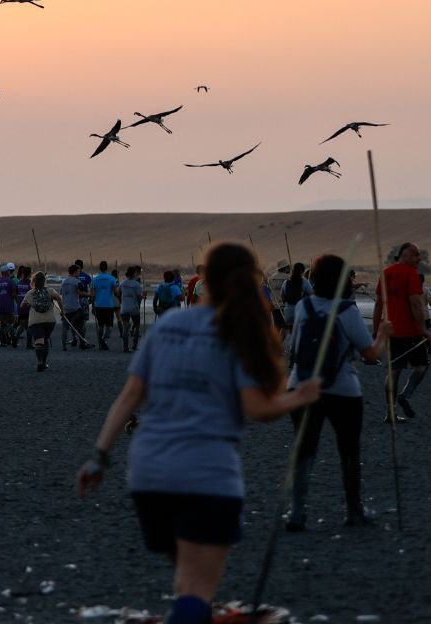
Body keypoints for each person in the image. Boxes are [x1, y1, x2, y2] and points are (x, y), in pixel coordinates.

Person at [78, 243, 323, 624]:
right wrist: (300, 397)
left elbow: (129, 397)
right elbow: (258, 410)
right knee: (196, 589)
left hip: (148, 474)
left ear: (204, 278)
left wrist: (99, 457)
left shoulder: (170, 324)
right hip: (206, 475)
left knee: (186, 583)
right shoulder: (240, 331)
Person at [283, 253, 384, 530]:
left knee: (304, 450)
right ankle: (353, 511)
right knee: (348, 451)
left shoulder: (304, 307)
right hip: (342, 388)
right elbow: (371, 354)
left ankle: (296, 512)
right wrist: (384, 332)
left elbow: (294, 350)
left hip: (301, 385)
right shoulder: (347, 311)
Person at [379, 242, 431, 421]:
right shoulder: (411, 274)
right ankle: (404, 396)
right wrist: (423, 329)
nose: (419, 259)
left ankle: (391, 411)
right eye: (416, 255)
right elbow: (416, 304)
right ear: (406, 255)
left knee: (394, 371)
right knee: (421, 367)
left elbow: (379, 303)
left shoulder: (385, 273)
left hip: (391, 331)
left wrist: (376, 332)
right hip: (411, 332)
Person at [25, 271, 65, 372]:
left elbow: (22, 305)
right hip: (49, 320)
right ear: (44, 281)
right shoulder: (50, 291)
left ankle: (39, 362)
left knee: (39, 341)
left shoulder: (30, 293)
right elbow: (59, 298)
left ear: (34, 281)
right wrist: (62, 311)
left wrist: (31, 304)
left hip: (35, 320)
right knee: (45, 340)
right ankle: (44, 362)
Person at [90, 261, 120, 350]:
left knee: (101, 326)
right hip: (109, 305)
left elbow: (92, 295)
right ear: (106, 268)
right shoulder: (112, 279)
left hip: (98, 305)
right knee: (109, 326)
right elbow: (115, 292)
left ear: (100, 268)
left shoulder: (94, 279)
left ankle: (101, 341)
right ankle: (103, 340)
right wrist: (121, 296)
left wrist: (93, 306)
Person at [60, 264, 89, 352]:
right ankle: (82, 343)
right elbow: (80, 293)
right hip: (76, 307)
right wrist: (90, 294)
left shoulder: (63, 282)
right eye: (78, 271)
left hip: (65, 308)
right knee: (82, 326)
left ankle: (64, 346)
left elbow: (61, 293)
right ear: (75, 272)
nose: (79, 273)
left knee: (65, 328)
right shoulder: (77, 282)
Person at [119, 266, 146, 353]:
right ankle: (134, 345)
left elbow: (117, 292)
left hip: (124, 307)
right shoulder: (137, 284)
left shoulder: (122, 283)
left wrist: (122, 300)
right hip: (134, 307)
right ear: (134, 273)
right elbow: (139, 297)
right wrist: (144, 296)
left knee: (125, 327)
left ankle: (125, 347)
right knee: (137, 326)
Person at [0, 264, 22, 348]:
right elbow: (14, 293)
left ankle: (3, 342)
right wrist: (18, 302)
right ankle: (13, 340)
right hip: (9, 305)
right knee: (13, 323)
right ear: (7, 272)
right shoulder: (10, 281)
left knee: (3, 323)